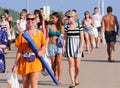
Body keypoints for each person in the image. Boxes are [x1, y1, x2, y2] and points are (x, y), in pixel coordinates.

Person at [12, 13, 46, 88]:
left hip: (36, 60)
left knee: (34, 84)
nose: (30, 21)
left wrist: (41, 51)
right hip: (24, 60)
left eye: (32, 19)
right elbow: (19, 50)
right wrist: (15, 64)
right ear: (26, 20)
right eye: (28, 19)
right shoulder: (22, 34)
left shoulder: (39, 33)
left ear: (35, 20)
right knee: (26, 85)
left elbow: (43, 44)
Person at [63, 11, 84, 88]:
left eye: (69, 17)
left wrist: (81, 46)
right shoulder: (66, 27)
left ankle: (76, 77)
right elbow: (65, 38)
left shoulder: (79, 25)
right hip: (69, 46)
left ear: (73, 17)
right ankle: (72, 82)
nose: (67, 18)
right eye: (67, 17)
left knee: (77, 66)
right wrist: (63, 48)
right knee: (71, 65)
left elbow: (82, 38)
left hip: (77, 46)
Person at [47, 12, 64, 84]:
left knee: (59, 62)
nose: (52, 19)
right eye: (51, 18)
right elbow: (47, 36)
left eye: (53, 18)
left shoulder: (61, 26)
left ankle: (59, 79)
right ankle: (55, 74)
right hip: (51, 46)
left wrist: (60, 38)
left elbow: (64, 36)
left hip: (59, 46)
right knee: (53, 64)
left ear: (57, 18)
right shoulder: (49, 26)